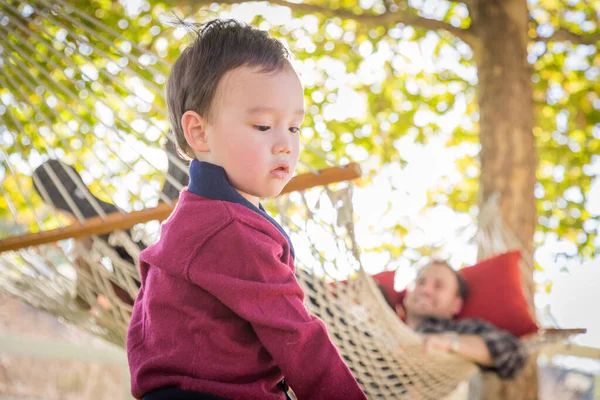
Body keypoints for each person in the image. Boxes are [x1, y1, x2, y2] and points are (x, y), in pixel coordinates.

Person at [126, 19, 367, 400]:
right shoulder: (228, 229)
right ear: (199, 132)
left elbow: (143, 320)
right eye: (263, 125)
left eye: (294, 128)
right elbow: (299, 338)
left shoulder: (191, 220)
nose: (285, 143)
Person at [395, 260, 528, 379]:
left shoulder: (459, 329)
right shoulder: (386, 321)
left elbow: (514, 352)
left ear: (456, 305)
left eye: (438, 286)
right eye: (420, 282)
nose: (426, 290)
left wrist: (447, 341)